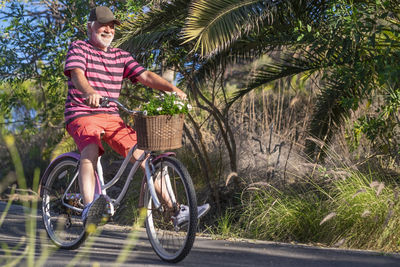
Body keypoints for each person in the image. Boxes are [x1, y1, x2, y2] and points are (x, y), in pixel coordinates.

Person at [64, 6, 209, 228]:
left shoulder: (120, 56)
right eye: (103, 24)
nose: (108, 30)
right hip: (82, 113)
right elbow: (77, 75)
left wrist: (172, 90)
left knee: (145, 157)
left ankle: (176, 211)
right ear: (90, 26)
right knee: (90, 150)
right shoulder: (79, 47)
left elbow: (146, 75)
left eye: (112, 26)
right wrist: (89, 92)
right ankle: (88, 208)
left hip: (112, 117)